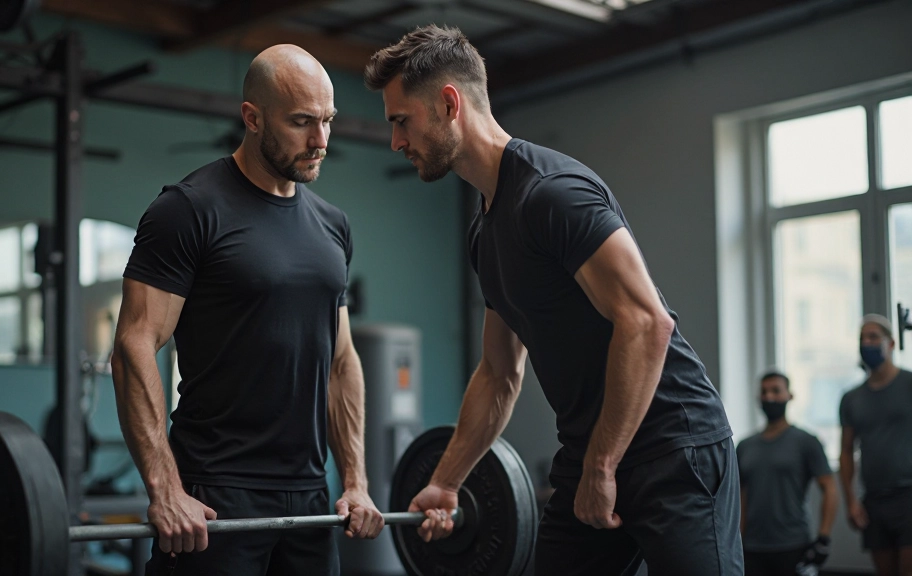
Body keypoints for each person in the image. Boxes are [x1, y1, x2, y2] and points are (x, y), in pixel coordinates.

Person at [363, 24, 742, 576]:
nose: (397, 141)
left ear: (448, 104)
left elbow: (644, 322)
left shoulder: (552, 193)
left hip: (672, 448)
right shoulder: (485, 232)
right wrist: (445, 482)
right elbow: (498, 372)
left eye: (402, 121)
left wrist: (603, 465)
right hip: (590, 452)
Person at [110, 44, 384, 576]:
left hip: (310, 497)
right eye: (302, 122)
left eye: (327, 121)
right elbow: (133, 344)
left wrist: (355, 481)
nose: (320, 141)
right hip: (213, 499)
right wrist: (166, 490)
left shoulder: (334, 226)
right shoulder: (188, 210)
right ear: (252, 118)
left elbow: (341, 361)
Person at [736, 371, 837, 576]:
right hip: (752, 547)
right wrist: (736, 540)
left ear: (790, 396)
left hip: (793, 545)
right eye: (764, 392)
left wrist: (823, 538)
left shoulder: (806, 441)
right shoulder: (745, 446)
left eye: (776, 391)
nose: (769, 397)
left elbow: (829, 488)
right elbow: (740, 497)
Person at [839, 314, 912, 576]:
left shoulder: (908, 383)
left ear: (891, 343)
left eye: (873, 337)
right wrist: (851, 501)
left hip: (908, 495)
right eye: (862, 338)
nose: (866, 343)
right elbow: (846, 452)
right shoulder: (852, 398)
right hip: (874, 499)